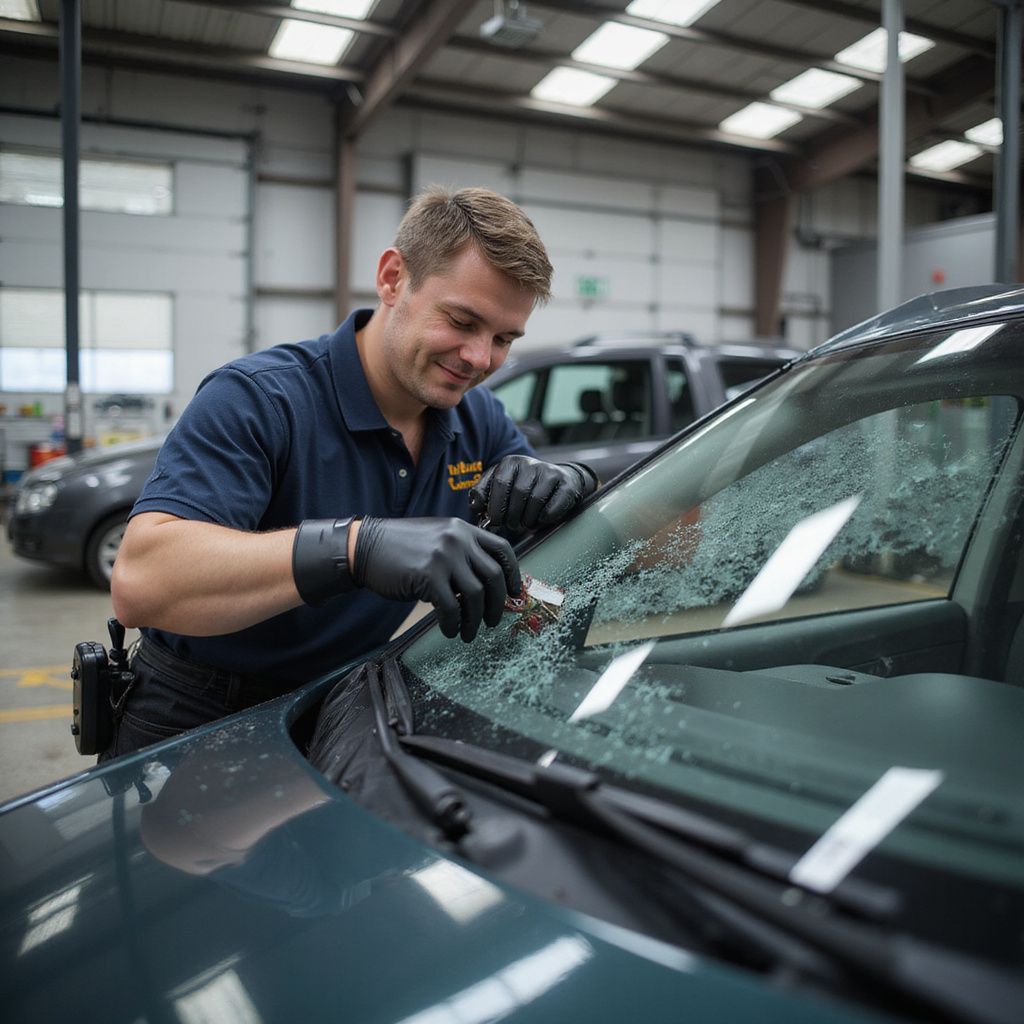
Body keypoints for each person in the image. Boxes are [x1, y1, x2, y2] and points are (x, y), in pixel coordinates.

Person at [106, 185, 598, 760]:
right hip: (195, 712)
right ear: (392, 278)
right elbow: (143, 583)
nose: (479, 358)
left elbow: (549, 581)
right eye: (462, 320)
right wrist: (355, 549)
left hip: (347, 702)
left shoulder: (477, 420)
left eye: (503, 339)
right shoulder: (260, 399)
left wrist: (572, 484)